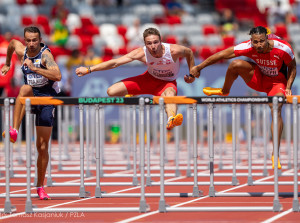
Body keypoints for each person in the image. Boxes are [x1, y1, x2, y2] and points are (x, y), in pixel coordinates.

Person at [190, 26, 297, 169]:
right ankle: (224, 91)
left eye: (261, 41)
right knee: (235, 64)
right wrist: (199, 67)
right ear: (251, 41)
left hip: (277, 83)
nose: (258, 45)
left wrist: (288, 87)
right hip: (258, 78)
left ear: (267, 38)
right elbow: (222, 55)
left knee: (276, 108)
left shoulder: (283, 48)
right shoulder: (247, 46)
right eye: (255, 42)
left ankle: (275, 154)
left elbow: (293, 67)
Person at [76, 27, 195, 130]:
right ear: (144, 43)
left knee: (170, 94)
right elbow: (115, 62)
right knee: (111, 91)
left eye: (155, 42)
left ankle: (171, 119)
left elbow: (189, 52)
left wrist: (192, 73)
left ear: (160, 40)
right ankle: (135, 93)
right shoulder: (141, 53)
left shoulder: (173, 50)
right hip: (148, 79)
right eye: (149, 43)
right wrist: (89, 69)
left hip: (167, 83)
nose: (153, 46)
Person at [1, 26, 62, 200]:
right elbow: (12, 44)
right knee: (25, 87)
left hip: (46, 98)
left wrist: (35, 69)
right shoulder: (22, 51)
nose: (31, 43)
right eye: (28, 40)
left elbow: (57, 75)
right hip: (30, 94)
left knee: (42, 148)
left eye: (35, 40)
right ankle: (14, 130)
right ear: (25, 40)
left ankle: (40, 186)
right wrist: (7, 64)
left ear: (40, 39)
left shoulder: (45, 55)